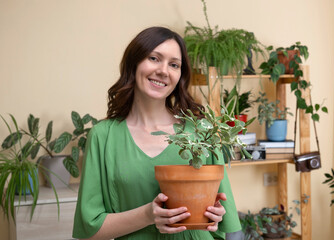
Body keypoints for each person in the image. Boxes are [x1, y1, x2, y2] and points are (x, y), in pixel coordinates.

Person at [72, 26, 241, 240]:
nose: (163, 71)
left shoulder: (202, 131)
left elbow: (228, 225)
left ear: (180, 76)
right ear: (133, 64)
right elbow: (89, 232)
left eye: (174, 65)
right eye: (154, 58)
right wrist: (148, 215)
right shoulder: (103, 137)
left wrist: (215, 215)